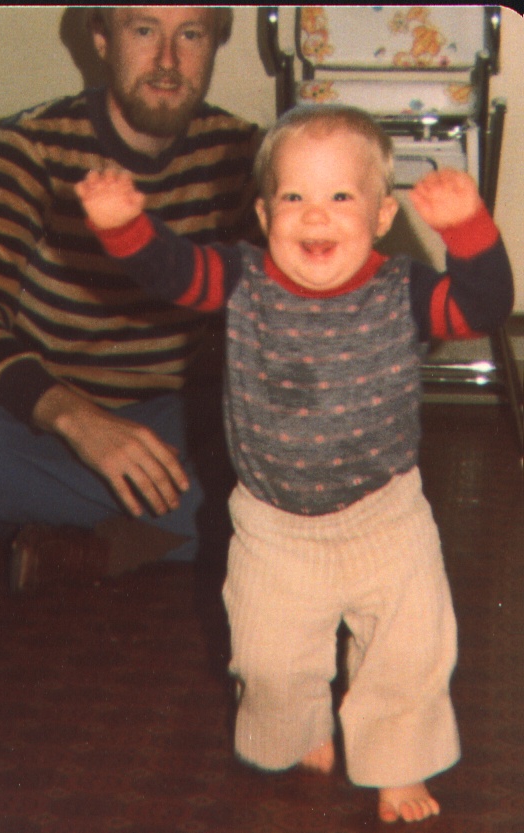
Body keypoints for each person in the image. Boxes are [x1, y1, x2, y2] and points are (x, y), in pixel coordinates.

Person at [73, 104, 513, 823]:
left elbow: (485, 306)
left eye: (341, 196)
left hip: (386, 514)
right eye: (293, 196)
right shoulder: (239, 278)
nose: (315, 215)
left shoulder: (402, 289)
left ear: (382, 216)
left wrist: (468, 229)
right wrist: (124, 225)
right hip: (274, 525)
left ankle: (397, 760)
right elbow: (170, 270)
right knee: (269, 661)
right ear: (262, 213)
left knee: (409, 649)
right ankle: (302, 722)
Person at [0, 7, 261, 590]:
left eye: (191, 34)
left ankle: (78, 539)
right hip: (46, 418)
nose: (168, 61)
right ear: (101, 38)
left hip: (175, 422)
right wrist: (81, 422)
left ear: (215, 42)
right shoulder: (28, 146)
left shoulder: (245, 155)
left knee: (294, 439)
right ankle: (175, 532)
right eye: (143, 31)